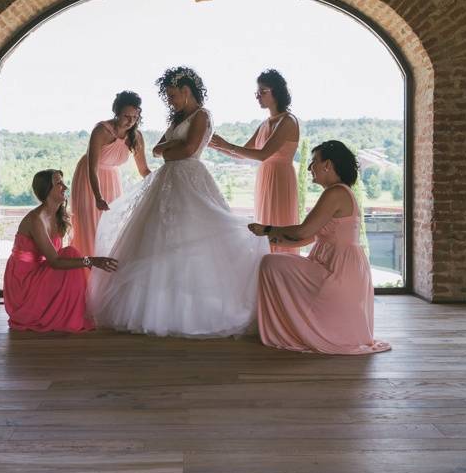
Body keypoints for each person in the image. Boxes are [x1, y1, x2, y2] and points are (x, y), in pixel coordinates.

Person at [88, 67, 269, 338]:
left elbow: (187, 150)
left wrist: (168, 150)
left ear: (186, 92)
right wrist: (168, 149)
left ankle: (192, 310)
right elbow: (158, 148)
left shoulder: (202, 116)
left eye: (173, 96)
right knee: (155, 240)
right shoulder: (179, 118)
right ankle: (157, 309)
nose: (170, 101)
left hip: (190, 181)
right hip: (167, 183)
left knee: (192, 240)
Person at [248, 141, 391, 355]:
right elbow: (307, 238)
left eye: (314, 162)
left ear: (328, 165)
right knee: (273, 261)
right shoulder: (338, 192)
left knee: (270, 264)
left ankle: (288, 329)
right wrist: (270, 240)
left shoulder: (336, 193)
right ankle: (291, 326)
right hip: (337, 266)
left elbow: (303, 232)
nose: (309, 168)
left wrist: (267, 229)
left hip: (338, 272)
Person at [4, 169, 118, 332]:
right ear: (47, 190)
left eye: (63, 182)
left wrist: (88, 262)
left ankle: (70, 312)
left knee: (71, 256)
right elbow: (55, 262)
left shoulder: (57, 216)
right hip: (23, 280)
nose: (65, 187)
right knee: (71, 254)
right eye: (59, 183)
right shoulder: (37, 219)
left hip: (40, 270)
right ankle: (66, 314)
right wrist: (91, 261)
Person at [210, 69, 299, 254]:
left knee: (279, 223)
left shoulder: (288, 121)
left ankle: (282, 270)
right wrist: (215, 145)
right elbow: (242, 154)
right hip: (265, 178)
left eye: (263, 92)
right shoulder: (264, 124)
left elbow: (262, 154)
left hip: (281, 179)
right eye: (257, 92)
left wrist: (228, 144)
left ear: (277, 92)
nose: (258, 96)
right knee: (263, 226)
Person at [69, 91, 150, 259]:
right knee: (90, 227)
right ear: (117, 112)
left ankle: (105, 277)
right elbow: (92, 167)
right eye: (126, 116)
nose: (130, 121)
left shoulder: (136, 137)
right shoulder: (101, 130)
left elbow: (143, 171)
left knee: (111, 228)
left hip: (112, 180)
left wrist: (162, 181)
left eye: (135, 117)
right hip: (89, 179)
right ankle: (86, 275)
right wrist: (98, 197)